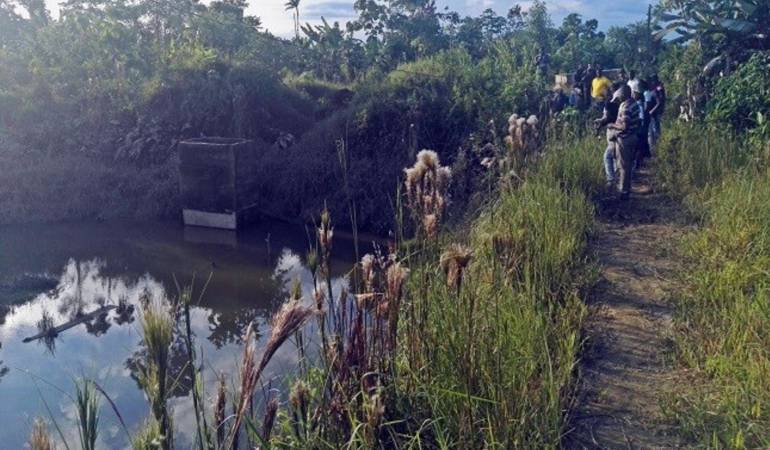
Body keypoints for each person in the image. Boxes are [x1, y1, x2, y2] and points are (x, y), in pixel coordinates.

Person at [608, 84, 641, 200]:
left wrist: (612, 125)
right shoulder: (634, 103)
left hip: (625, 139)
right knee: (628, 165)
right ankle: (626, 189)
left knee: (623, 167)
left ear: (623, 95)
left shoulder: (625, 107)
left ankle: (624, 191)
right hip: (633, 137)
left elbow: (624, 126)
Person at [594, 82, 623, 189]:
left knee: (608, 156)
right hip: (621, 132)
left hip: (613, 131)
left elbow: (607, 118)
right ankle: (617, 177)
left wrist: (600, 123)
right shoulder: (622, 103)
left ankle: (611, 180)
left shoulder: (610, 104)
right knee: (616, 156)